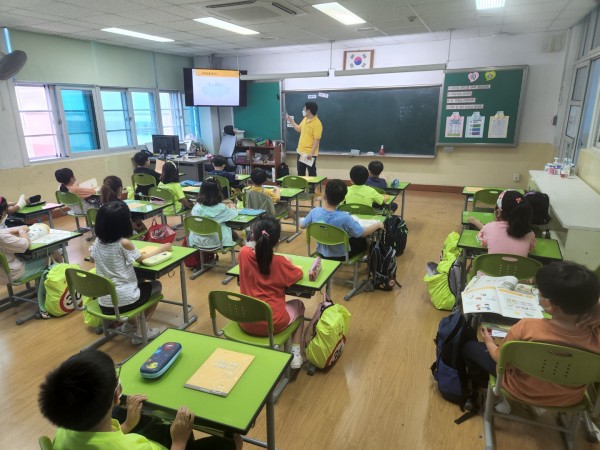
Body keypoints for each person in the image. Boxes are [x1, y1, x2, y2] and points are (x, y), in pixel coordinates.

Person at [462, 261, 600, 412]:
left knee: (469, 348)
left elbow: (502, 361)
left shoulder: (526, 326)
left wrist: (489, 341)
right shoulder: (596, 334)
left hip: (520, 389)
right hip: (569, 397)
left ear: (550, 305)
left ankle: (496, 398)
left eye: (539, 294)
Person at [38, 349, 242, 450]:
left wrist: (126, 426)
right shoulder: (134, 448)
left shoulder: (64, 431)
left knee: (151, 418)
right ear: (116, 396)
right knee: (232, 440)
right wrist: (178, 441)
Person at [90, 201, 170, 344]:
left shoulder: (97, 242)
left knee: (135, 285)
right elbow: (142, 259)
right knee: (156, 286)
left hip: (104, 302)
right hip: (124, 301)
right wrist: (162, 248)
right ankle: (142, 329)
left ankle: (130, 324)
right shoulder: (123, 243)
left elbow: (92, 258)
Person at [238, 216, 305, 369]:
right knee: (299, 305)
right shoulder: (280, 263)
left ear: (253, 236)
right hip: (273, 324)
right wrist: (287, 261)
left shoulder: (243, 254)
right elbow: (298, 274)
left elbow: (250, 250)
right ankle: (295, 354)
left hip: (245, 319)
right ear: (278, 241)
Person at [300, 179, 384, 260]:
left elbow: (302, 225)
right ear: (343, 198)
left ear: (324, 195)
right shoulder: (345, 217)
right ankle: (369, 261)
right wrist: (377, 225)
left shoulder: (315, 211)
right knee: (365, 239)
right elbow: (362, 233)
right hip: (342, 255)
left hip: (321, 252)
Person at [0, 196, 62, 285]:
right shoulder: (2, 236)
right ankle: (58, 287)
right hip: (14, 272)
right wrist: (22, 232)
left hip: (4, 269)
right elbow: (25, 244)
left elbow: (6, 231)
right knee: (56, 254)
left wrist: (19, 229)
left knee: (33, 254)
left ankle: (44, 285)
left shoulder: (2, 232)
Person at [468, 189, 536, 257]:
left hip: (493, 264)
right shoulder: (530, 234)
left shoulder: (488, 227)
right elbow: (530, 249)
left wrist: (475, 222)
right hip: (520, 264)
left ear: (498, 212)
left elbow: (484, 242)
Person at [189, 177, 240, 249]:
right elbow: (233, 214)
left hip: (197, 241)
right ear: (218, 192)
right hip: (218, 242)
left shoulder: (196, 207)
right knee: (227, 227)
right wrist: (233, 207)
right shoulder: (221, 208)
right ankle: (244, 244)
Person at [286, 101, 323, 185]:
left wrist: (311, 153)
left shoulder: (317, 123)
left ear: (308, 111)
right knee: (300, 172)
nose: (303, 110)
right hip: (300, 152)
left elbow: (317, 140)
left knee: (311, 173)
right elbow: (299, 129)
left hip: (309, 154)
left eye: (304, 108)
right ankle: (301, 188)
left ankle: (312, 189)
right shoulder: (305, 119)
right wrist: (291, 121)